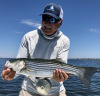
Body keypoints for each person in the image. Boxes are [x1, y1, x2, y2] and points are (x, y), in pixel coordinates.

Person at [2, 3, 70, 96]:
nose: (47, 23)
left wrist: (61, 76)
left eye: (52, 19)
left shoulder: (64, 40)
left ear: (60, 22)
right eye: (45, 18)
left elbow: (61, 65)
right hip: (29, 90)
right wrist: (8, 77)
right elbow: (17, 70)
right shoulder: (28, 37)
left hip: (55, 90)